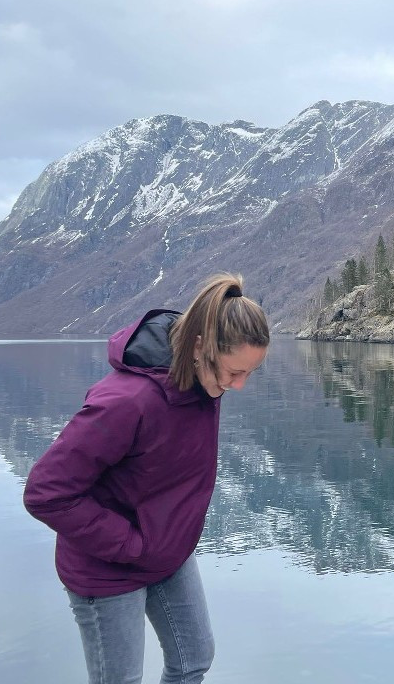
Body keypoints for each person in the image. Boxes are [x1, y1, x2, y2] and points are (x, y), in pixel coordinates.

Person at [24, 273, 269, 684]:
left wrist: (163, 539)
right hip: (108, 565)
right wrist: (133, 544)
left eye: (249, 372)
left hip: (167, 551)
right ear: (199, 346)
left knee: (193, 660)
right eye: (234, 372)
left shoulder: (205, 384)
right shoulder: (126, 401)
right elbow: (45, 493)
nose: (239, 385)